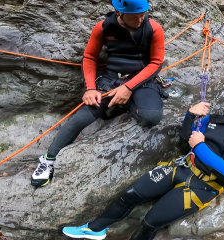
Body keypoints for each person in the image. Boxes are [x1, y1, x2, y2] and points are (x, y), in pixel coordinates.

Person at [61, 79, 224, 240]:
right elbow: (186, 137)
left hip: (203, 186)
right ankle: (95, 229)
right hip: (181, 167)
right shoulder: (216, 120)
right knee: (129, 195)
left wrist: (200, 147)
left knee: (150, 222)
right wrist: (190, 115)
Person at [31, 0, 166, 187]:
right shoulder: (103, 28)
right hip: (112, 79)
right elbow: (89, 57)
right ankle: (48, 159)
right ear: (119, 13)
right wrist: (90, 88)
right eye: (134, 17)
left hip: (141, 80)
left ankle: (123, 104)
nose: (140, 19)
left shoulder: (154, 28)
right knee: (82, 117)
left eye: (143, 15)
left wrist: (128, 88)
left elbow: (157, 62)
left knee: (151, 117)